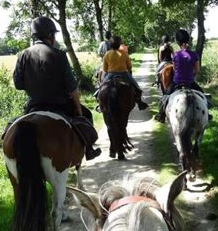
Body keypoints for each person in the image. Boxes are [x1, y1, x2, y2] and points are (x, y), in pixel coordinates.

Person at [11, 16, 101, 160]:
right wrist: (78, 109)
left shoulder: (23, 55)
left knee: (10, 129)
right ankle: (89, 150)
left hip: (34, 106)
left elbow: (18, 84)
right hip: (60, 105)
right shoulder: (59, 55)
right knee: (87, 115)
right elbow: (72, 87)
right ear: (51, 35)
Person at [154, 29, 211, 123]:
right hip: (190, 82)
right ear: (188, 40)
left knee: (165, 97)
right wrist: (191, 75)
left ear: (178, 42)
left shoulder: (176, 55)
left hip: (177, 82)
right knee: (203, 95)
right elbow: (197, 70)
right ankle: (207, 114)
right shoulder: (194, 55)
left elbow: (175, 69)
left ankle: (161, 114)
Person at [101, 35, 148, 110]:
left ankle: (100, 102)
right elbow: (129, 67)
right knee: (135, 85)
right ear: (119, 44)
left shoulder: (107, 54)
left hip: (111, 74)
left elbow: (105, 69)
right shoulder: (124, 53)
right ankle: (139, 101)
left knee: (102, 86)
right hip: (124, 73)